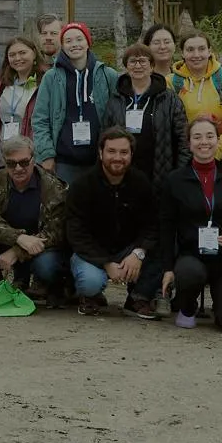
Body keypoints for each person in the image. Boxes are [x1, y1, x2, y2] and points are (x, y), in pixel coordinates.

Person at [161, 118, 222, 332]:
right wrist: (167, 269)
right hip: (191, 256)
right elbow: (166, 227)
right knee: (190, 273)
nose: (204, 142)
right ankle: (187, 306)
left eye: (210, 136)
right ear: (189, 143)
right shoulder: (174, 181)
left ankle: (221, 306)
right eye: (197, 137)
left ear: (218, 141)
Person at [63, 127, 161, 316]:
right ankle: (91, 296)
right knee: (89, 282)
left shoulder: (141, 183)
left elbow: (152, 224)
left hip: (128, 250)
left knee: (162, 250)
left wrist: (138, 253)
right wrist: (106, 263)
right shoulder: (82, 185)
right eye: (111, 151)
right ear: (100, 153)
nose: (117, 157)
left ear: (132, 154)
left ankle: (137, 298)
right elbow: (76, 233)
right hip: (92, 252)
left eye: (124, 152)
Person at [0, 137, 67, 297]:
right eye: (11, 163)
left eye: (24, 162)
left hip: (40, 245)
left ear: (33, 160)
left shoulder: (52, 187)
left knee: (47, 267)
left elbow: (56, 232)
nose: (18, 168)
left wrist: (17, 251)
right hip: (7, 239)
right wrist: (18, 238)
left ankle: (46, 286)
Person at [33, 22, 118, 186]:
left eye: (79, 39)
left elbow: (118, 116)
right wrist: (46, 154)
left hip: (100, 160)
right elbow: (40, 119)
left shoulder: (108, 75)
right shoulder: (51, 78)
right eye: (69, 41)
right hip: (64, 161)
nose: (75, 45)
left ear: (88, 42)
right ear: (62, 45)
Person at [102, 43, 187, 181]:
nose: (137, 66)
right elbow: (104, 136)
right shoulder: (116, 99)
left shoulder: (168, 98)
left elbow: (183, 139)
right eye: (132, 61)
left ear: (152, 66)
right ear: (126, 67)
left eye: (142, 61)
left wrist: (179, 173)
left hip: (160, 174)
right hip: (123, 173)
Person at [171, 31, 222, 164]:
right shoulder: (171, 82)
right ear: (182, 53)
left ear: (209, 51)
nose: (196, 55)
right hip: (186, 158)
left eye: (201, 49)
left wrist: (216, 153)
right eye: (190, 50)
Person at [0, 35, 44, 171]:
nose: (17, 58)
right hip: (3, 155)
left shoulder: (44, 83)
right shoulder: (2, 85)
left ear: (34, 53)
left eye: (23, 53)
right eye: (12, 55)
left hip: (29, 157)